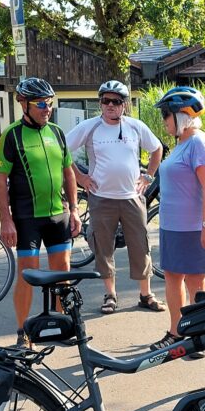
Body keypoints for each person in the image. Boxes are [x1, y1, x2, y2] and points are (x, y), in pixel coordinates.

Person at [0, 77, 82, 349]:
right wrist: (5, 219)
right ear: (24, 104)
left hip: (58, 214)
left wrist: (76, 210)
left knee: (62, 272)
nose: (47, 108)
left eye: (50, 104)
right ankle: (23, 332)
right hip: (27, 217)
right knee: (27, 275)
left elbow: (68, 172)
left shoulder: (56, 132)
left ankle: (61, 324)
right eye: (41, 104)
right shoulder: (12, 135)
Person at [65, 80, 166, 316]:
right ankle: (110, 295)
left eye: (116, 101)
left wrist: (149, 176)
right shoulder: (90, 127)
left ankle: (145, 294)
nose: (110, 105)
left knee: (140, 245)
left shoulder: (135, 126)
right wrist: (80, 177)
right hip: (101, 198)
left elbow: (156, 148)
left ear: (124, 105)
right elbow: (62, 148)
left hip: (132, 196)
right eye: (105, 101)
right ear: (100, 103)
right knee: (103, 246)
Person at [148, 86, 205, 355]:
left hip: (191, 227)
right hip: (171, 226)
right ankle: (178, 331)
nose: (163, 119)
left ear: (183, 115)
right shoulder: (181, 143)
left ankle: (197, 335)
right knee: (173, 278)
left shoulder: (199, 143)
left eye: (167, 113)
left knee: (195, 282)